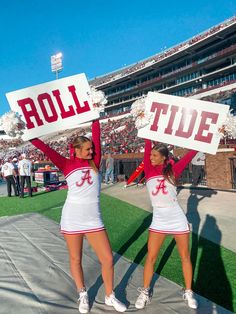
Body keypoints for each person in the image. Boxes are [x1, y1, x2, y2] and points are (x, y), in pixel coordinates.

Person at [30, 120, 126, 314]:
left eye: (92, 149)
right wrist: (27, 134)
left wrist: (95, 116)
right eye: (87, 149)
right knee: (75, 259)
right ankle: (82, 293)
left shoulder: (95, 162)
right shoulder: (65, 163)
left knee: (107, 259)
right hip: (72, 218)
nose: (91, 152)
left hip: (94, 219)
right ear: (76, 150)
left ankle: (109, 295)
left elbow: (97, 136)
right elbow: (45, 148)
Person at [135, 140, 198, 310]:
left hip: (176, 216)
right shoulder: (148, 169)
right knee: (151, 257)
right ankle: (145, 291)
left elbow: (190, 154)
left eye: (155, 156)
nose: (151, 158)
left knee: (185, 256)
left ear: (164, 158)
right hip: (159, 218)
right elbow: (147, 145)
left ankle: (188, 291)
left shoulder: (173, 170)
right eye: (150, 155)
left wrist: (205, 141)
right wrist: (146, 128)